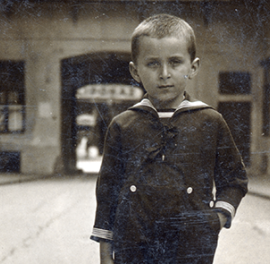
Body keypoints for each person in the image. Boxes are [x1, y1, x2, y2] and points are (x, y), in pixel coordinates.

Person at [90, 14, 248, 264]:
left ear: (192, 67)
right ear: (135, 71)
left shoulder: (209, 121)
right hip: (134, 246)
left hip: (191, 247)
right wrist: (104, 250)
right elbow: (108, 192)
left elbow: (234, 178)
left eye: (175, 62)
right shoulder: (123, 125)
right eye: (152, 64)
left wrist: (216, 218)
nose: (164, 73)